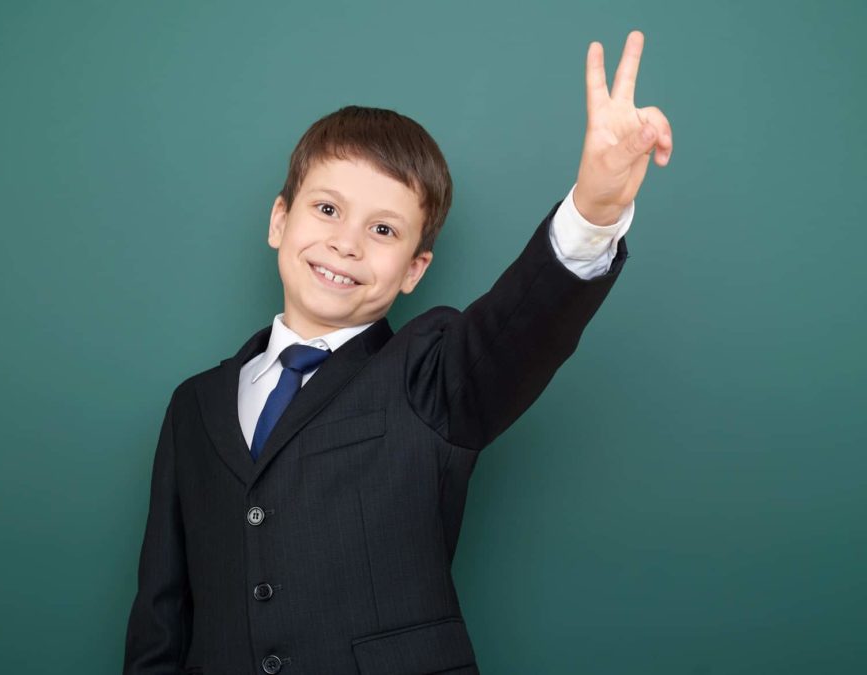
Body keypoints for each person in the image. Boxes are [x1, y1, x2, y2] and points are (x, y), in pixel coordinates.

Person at [124, 30, 674, 675]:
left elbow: (516, 330)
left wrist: (595, 209)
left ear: (415, 269)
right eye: (327, 208)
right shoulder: (194, 406)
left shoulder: (430, 373)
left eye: (382, 229)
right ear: (279, 220)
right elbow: (161, 614)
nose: (347, 243)